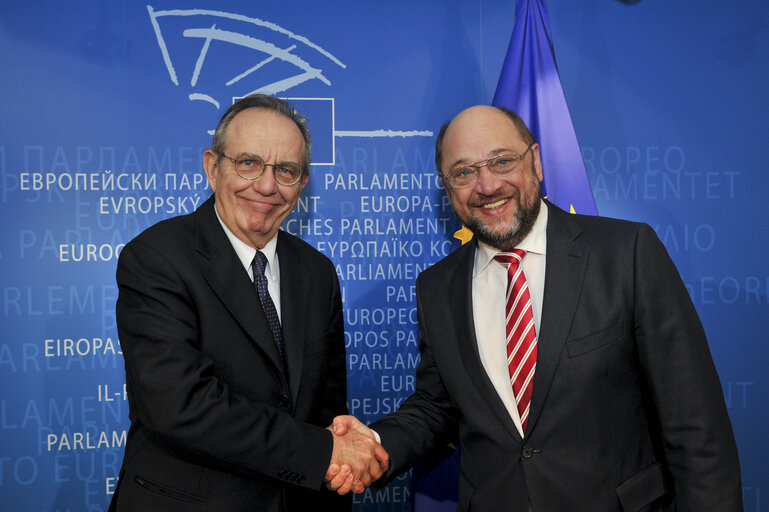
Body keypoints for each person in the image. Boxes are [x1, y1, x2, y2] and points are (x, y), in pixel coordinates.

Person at [330, 105, 742, 511]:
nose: (487, 185)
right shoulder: (437, 287)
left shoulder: (625, 254)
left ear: (537, 161)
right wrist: (375, 446)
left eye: (502, 161)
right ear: (447, 186)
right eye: (464, 172)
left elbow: (696, 425)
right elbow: (437, 407)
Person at [110, 94, 387, 512]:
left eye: (286, 170)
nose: (266, 185)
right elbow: (180, 408)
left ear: (303, 182)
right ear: (212, 167)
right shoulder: (156, 258)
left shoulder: (317, 272)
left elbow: (328, 410)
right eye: (249, 163)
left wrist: (339, 457)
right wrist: (323, 451)